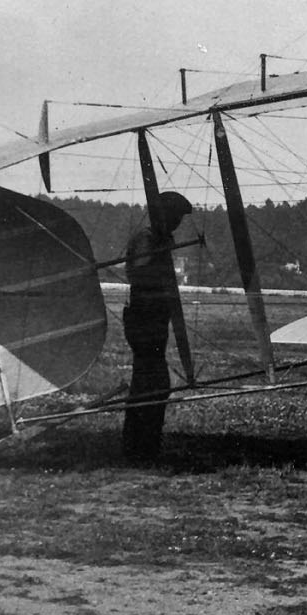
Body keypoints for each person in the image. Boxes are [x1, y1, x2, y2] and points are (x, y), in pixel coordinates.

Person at [120, 191, 192, 463]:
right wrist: (158, 252)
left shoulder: (162, 239)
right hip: (143, 317)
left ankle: (145, 444)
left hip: (155, 318)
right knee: (151, 381)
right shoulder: (146, 239)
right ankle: (139, 446)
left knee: (152, 381)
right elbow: (137, 272)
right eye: (174, 217)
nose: (177, 224)